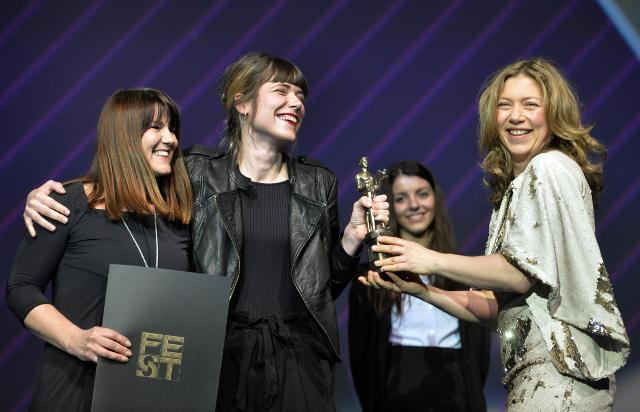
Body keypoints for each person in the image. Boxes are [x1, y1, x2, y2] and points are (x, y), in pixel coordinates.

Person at [21, 52, 388, 412]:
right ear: (241, 103)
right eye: (281, 90)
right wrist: (48, 196)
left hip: (299, 364)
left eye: (300, 95)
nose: (296, 102)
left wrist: (351, 239)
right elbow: (127, 179)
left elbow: (320, 290)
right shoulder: (195, 173)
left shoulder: (318, 182)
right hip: (214, 358)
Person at [360, 58, 630, 411]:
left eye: (530, 105)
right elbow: (500, 309)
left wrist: (430, 259)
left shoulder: (547, 167)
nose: (515, 116)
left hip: (558, 378)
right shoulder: (518, 188)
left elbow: (517, 274)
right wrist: (424, 290)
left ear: (553, 114)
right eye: (505, 105)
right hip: (539, 378)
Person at [7, 88, 193, 412]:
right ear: (124, 135)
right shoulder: (66, 203)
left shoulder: (178, 216)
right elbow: (21, 288)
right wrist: (77, 340)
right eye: (156, 127)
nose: (171, 139)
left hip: (149, 394)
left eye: (173, 128)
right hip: (75, 390)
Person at [348, 160, 490, 412]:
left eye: (422, 194)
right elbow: (361, 357)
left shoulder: (462, 270)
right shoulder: (371, 276)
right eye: (401, 198)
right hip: (396, 395)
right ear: (390, 206)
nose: (414, 205)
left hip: (457, 393)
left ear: (436, 199)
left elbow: (480, 352)